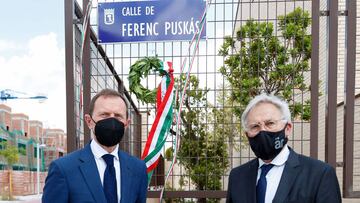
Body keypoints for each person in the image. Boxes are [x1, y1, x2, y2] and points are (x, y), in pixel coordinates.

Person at [226, 94, 341, 203]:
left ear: (287, 128)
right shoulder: (237, 176)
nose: (263, 131)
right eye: (255, 126)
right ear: (247, 134)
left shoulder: (319, 174)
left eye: (270, 123)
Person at [42, 89, 148, 203]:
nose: (112, 121)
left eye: (118, 116)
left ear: (126, 124)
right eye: (104, 115)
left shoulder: (138, 168)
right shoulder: (63, 169)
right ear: (89, 121)